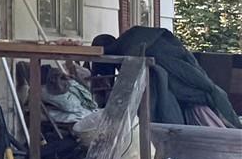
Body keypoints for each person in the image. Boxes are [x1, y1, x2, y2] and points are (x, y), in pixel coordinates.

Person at [93, 28, 241, 128]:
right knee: (205, 90)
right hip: (183, 67)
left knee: (197, 91)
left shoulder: (126, 47)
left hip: (175, 70)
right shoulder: (133, 36)